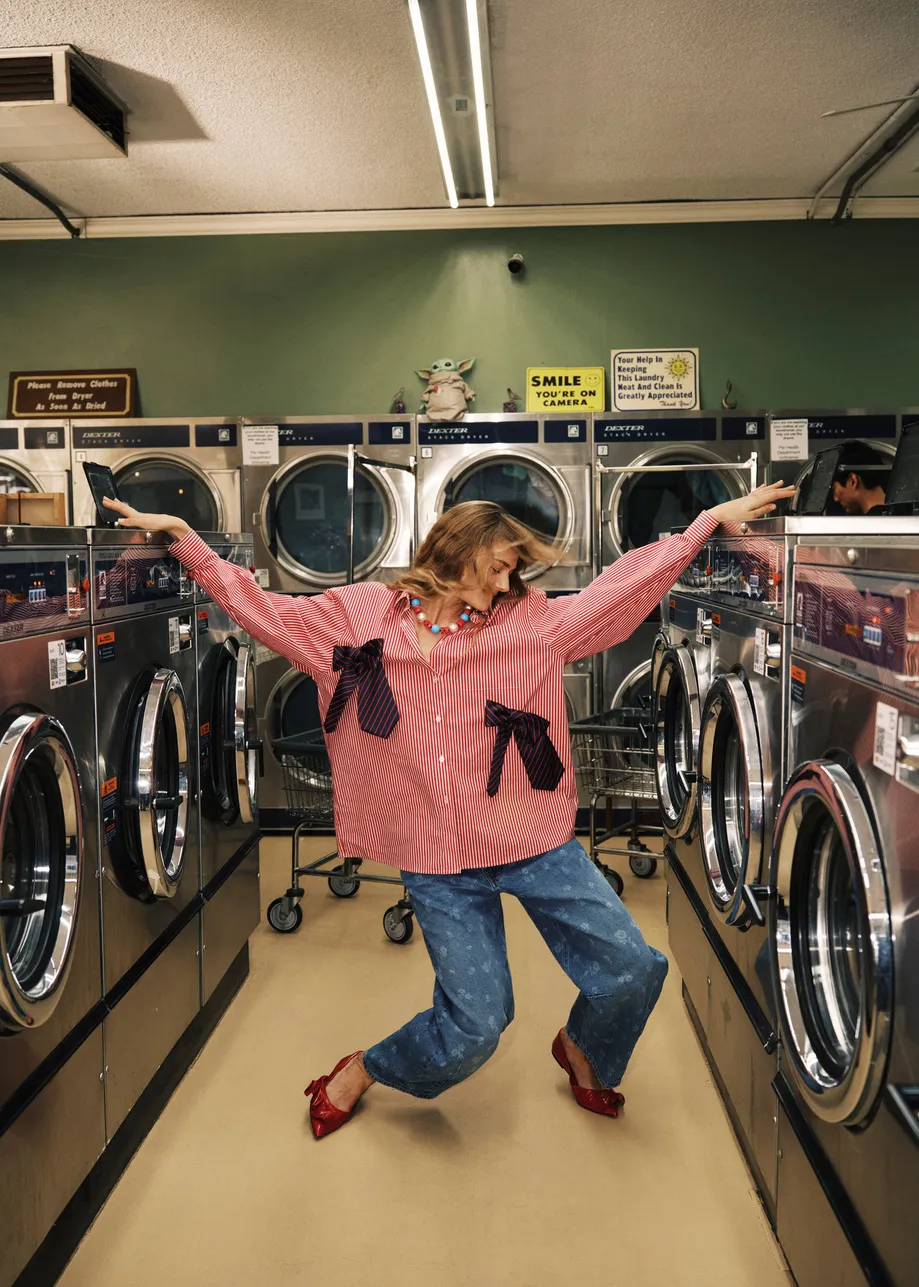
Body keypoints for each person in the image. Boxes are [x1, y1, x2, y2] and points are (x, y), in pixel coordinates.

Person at [104, 479, 794, 1140]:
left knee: (635, 968)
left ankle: (583, 1049)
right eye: (496, 567)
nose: (505, 583)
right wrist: (191, 544)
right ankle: (366, 1068)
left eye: (510, 572)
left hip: (530, 840)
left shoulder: (533, 625)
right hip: (435, 856)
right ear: (455, 554)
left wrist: (702, 527)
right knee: (477, 1025)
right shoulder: (357, 619)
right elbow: (266, 609)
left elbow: (623, 589)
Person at [831, 443, 890, 515]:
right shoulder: (902, 515)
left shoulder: (867, 524)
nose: (835, 499)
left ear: (853, 481)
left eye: (834, 490)